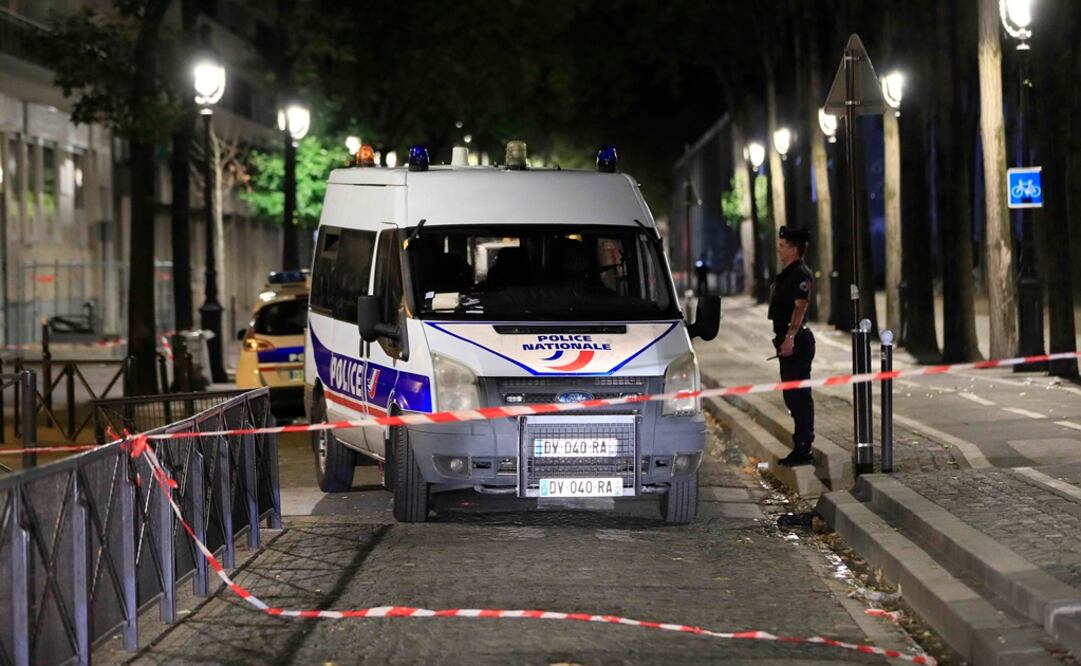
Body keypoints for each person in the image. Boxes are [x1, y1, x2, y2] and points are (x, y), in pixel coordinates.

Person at [767, 226, 815, 466]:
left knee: (799, 397)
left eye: (783, 245)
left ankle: (804, 447)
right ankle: (800, 445)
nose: (779, 249)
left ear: (794, 248)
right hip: (787, 340)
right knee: (791, 396)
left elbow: (800, 307)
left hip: (796, 341)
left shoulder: (799, 274)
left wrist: (790, 337)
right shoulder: (788, 273)